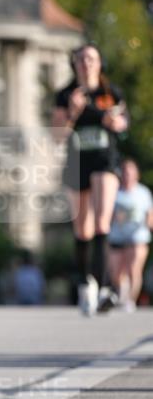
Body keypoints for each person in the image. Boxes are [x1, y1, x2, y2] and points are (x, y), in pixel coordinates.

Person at [52, 43, 128, 316]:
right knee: (82, 229)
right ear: (75, 64)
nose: (87, 64)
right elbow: (57, 135)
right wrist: (73, 112)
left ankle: (106, 288)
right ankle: (86, 284)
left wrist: (115, 123)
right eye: (82, 59)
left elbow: (123, 124)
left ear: (99, 63)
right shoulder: (65, 94)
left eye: (92, 59)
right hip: (76, 162)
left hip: (104, 160)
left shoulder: (110, 93)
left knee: (102, 222)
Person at [108, 158, 153, 311]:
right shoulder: (115, 192)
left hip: (138, 236)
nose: (127, 175)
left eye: (130, 171)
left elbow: (150, 215)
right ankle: (122, 295)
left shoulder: (143, 192)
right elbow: (107, 214)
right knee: (117, 273)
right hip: (117, 236)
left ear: (136, 174)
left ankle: (130, 301)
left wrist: (148, 225)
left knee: (134, 268)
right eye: (125, 171)